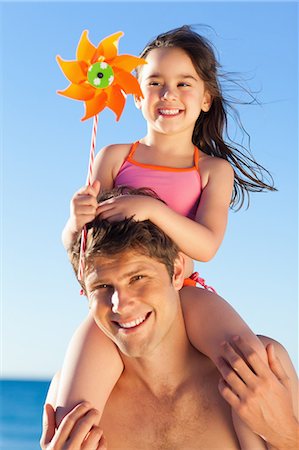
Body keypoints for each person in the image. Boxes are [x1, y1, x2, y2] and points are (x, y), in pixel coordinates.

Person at [56, 25, 278, 446]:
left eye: (183, 83)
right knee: (74, 411)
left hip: (185, 291)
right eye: (154, 83)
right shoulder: (115, 155)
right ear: (136, 95)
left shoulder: (212, 170)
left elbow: (207, 245)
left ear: (206, 98)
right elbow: (79, 248)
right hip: (115, 294)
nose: (168, 94)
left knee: (251, 366)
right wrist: (74, 219)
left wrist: (153, 210)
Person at [41, 193, 299, 449]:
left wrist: (288, 437)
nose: (120, 303)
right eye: (102, 285)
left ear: (176, 272)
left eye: (138, 278)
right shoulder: (76, 405)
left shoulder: (259, 376)